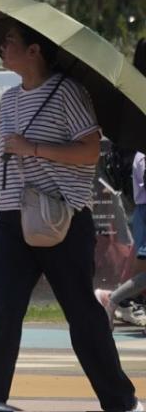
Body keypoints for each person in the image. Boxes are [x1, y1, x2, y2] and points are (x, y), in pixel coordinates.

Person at [0, 23, 139, 412]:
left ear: (35, 50)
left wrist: (32, 148)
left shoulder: (67, 92)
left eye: (10, 41)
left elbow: (88, 152)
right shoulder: (10, 98)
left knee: (81, 313)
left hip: (61, 217)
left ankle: (121, 401)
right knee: (4, 317)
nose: (2, 46)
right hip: (12, 217)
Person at [95, 38, 146, 329]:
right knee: (143, 264)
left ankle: (117, 299)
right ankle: (117, 299)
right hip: (141, 191)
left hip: (136, 188)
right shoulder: (137, 98)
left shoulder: (131, 93)